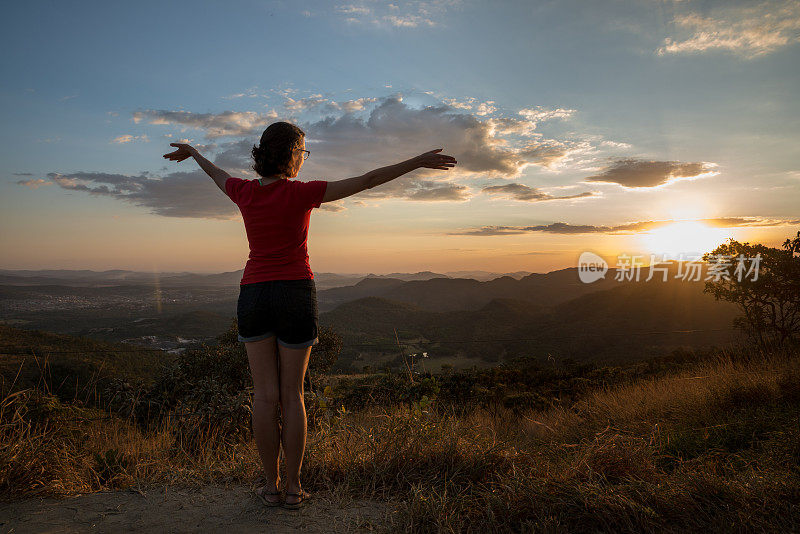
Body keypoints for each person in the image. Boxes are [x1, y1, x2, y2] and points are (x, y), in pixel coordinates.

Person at [163, 121, 457, 509]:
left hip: (253, 294)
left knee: (265, 396)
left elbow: (218, 175)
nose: (304, 157)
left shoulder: (244, 192)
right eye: (303, 150)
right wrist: (417, 161)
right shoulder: (302, 193)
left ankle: (270, 487)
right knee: (292, 394)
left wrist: (196, 153)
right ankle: (294, 488)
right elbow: (368, 180)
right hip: (295, 293)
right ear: (290, 155)